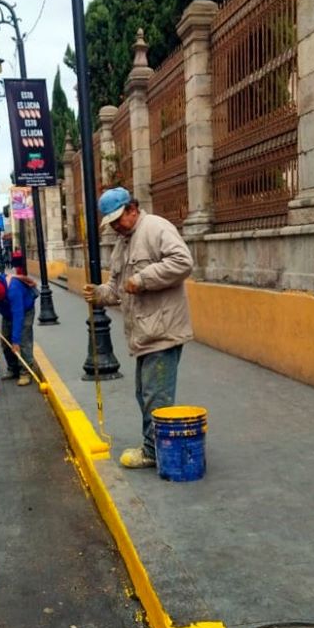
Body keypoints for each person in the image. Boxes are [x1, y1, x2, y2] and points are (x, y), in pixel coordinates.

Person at [83, 187, 194, 469]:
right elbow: (117, 288)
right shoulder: (123, 243)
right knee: (144, 393)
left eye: (119, 219)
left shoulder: (156, 227)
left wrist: (144, 278)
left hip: (163, 330)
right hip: (144, 333)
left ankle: (153, 451)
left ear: (132, 209)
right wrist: (99, 294)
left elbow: (183, 262)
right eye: (112, 222)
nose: (116, 226)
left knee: (155, 396)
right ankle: (156, 446)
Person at [0, 269, 37, 386]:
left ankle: (25, 372)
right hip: (7, 314)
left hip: (25, 311)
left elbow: (18, 315)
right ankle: (13, 369)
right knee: (5, 341)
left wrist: (16, 341)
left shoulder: (14, 289)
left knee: (23, 340)